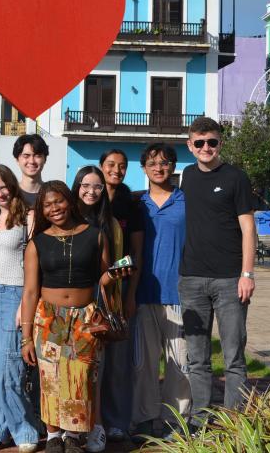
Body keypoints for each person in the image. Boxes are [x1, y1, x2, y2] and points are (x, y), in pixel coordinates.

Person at [21, 182, 130, 453]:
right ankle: (54, 435)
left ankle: (73, 434)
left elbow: (103, 278)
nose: (54, 208)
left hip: (86, 318)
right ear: (42, 210)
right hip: (48, 318)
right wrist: (25, 337)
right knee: (50, 379)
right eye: (47, 204)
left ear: (69, 201)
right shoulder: (37, 242)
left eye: (58, 201)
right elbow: (31, 291)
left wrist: (117, 273)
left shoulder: (95, 235)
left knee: (80, 377)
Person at [179, 117, 256, 425]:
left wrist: (247, 274)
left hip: (229, 280)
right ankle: (199, 419)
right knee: (197, 358)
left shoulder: (237, 177)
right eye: (199, 143)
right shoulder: (186, 175)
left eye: (211, 142)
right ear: (190, 146)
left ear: (220, 143)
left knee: (234, 357)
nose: (206, 148)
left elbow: (248, 229)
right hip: (192, 279)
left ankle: (234, 422)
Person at [129, 144, 191, 443]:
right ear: (144, 168)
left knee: (180, 363)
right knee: (144, 363)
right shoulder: (136, 203)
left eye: (164, 162)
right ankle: (144, 418)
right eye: (152, 162)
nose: (158, 167)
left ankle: (174, 421)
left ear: (173, 166)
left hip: (179, 293)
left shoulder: (186, 201)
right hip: (143, 294)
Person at [0, 165, 38, 453]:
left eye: (3, 187)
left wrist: (26, 303)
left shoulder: (28, 216)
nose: (0, 193)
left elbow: (33, 263)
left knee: (10, 366)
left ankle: (25, 431)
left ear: (12, 186)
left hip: (15, 293)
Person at [70, 166, 123, 452]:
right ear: (76, 186)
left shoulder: (109, 224)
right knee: (71, 368)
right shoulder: (65, 218)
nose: (91, 191)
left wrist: (119, 275)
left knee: (95, 369)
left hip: (98, 301)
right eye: (85, 185)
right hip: (66, 301)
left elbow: (108, 270)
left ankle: (96, 425)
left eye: (97, 187)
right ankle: (72, 427)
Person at [93, 149, 143, 445]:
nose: (116, 170)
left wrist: (130, 294)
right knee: (92, 359)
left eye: (122, 166)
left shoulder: (130, 205)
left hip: (119, 289)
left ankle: (116, 422)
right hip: (89, 289)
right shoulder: (88, 200)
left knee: (118, 360)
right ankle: (92, 420)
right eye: (111, 165)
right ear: (101, 167)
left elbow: (135, 255)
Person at [13, 134, 49, 208]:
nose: (32, 161)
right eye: (26, 156)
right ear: (17, 160)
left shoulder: (52, 194)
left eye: (37, 156)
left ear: (45, 159)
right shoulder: (10, 194)